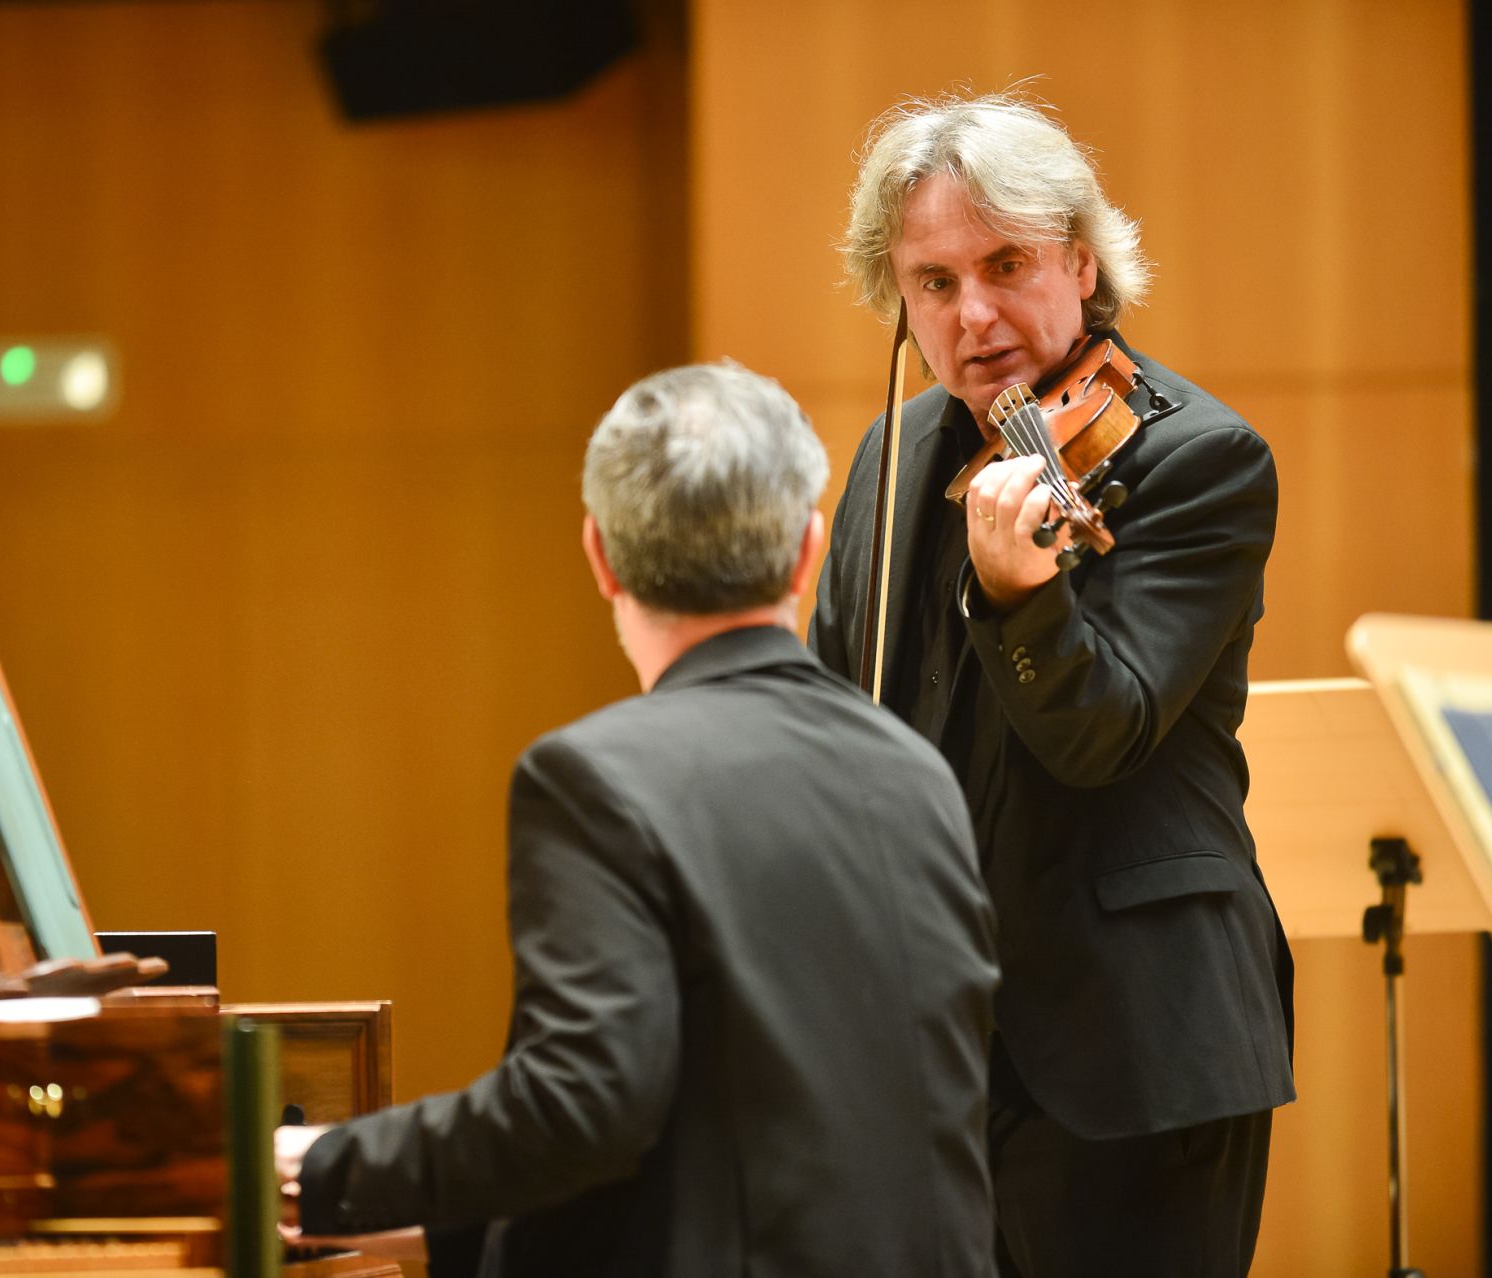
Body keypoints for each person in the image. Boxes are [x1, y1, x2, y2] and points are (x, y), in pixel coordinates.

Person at [275, 361, 1000, 1277]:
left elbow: (584, 1107)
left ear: (600, 556)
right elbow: (770, 1125)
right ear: (812, 549)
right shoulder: (917, 775)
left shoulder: (595, 781)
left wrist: (321, 1168)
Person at [810, 91, 1295, 1277]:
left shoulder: (1196, 461)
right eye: (933, 282)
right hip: (935, 1059)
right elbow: (840, 715)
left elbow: (1103, 733)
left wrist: (1024, 596)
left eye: (1007, 263)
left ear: (1081, 260)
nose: (973, 315)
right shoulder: (892, 452)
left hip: (1133, 1051)